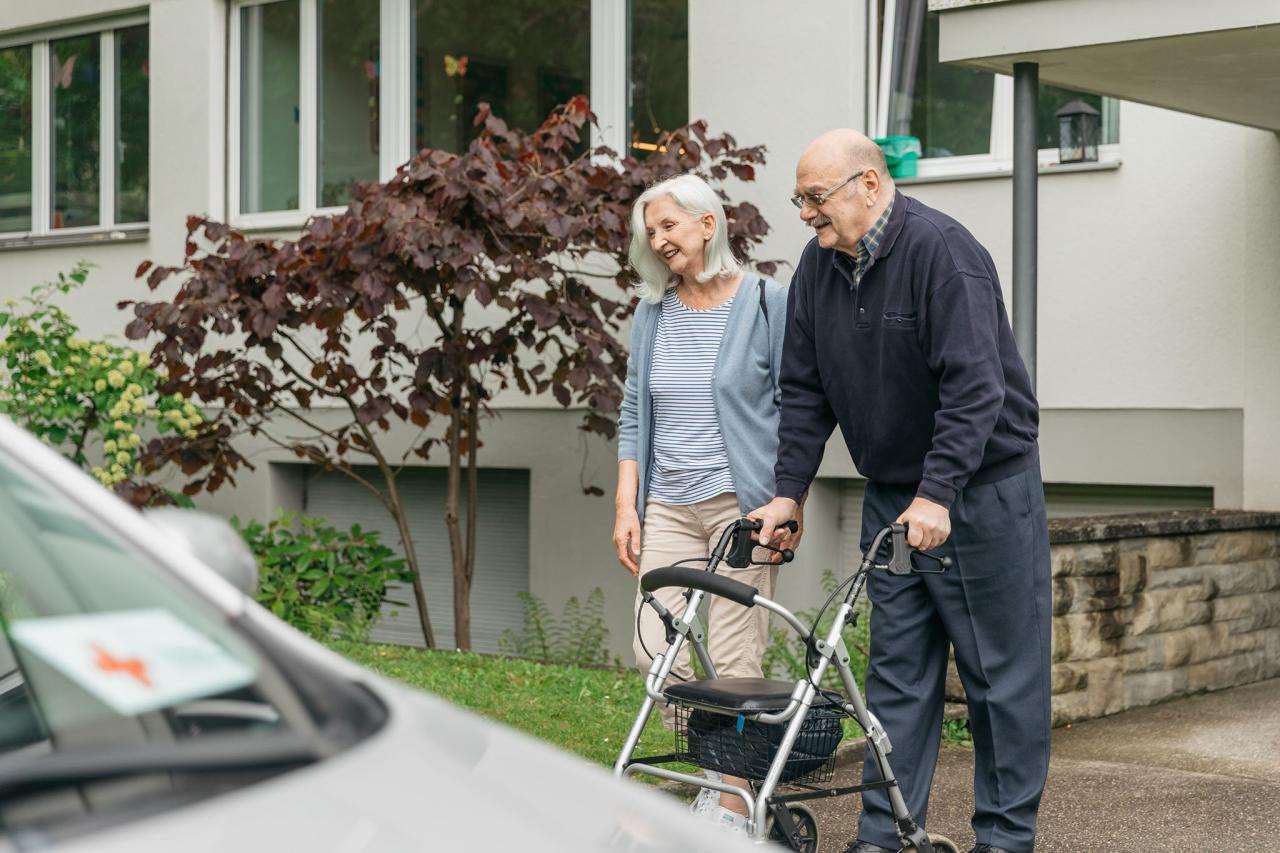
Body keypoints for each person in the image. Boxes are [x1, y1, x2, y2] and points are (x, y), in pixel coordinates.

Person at [749, 130, 1051, 853]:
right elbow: (803, 391)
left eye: (816, 198)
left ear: (871, 185)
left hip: (979, 495)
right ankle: (885, 835)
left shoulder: (943, 254)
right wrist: (789, 491)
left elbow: (975, 388)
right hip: (894, 497)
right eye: (800, 199)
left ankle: (1005, 840)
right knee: (897, 679)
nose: (805, 215)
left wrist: (939, 490)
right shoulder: (818, 272)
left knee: (999, 682)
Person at [614, 173, 797, 833]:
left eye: (667, 225)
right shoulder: (652, 313)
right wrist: (626, 505)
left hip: (738, 505)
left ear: (707, 223)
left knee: (735, 657)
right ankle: (711, 773)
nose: (658, 240)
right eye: (650, 231)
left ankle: (731, 801)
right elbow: (634, 410)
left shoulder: (766, 302)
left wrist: (785, 498)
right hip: (666, 504)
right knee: (655, 647)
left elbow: (798, 403)